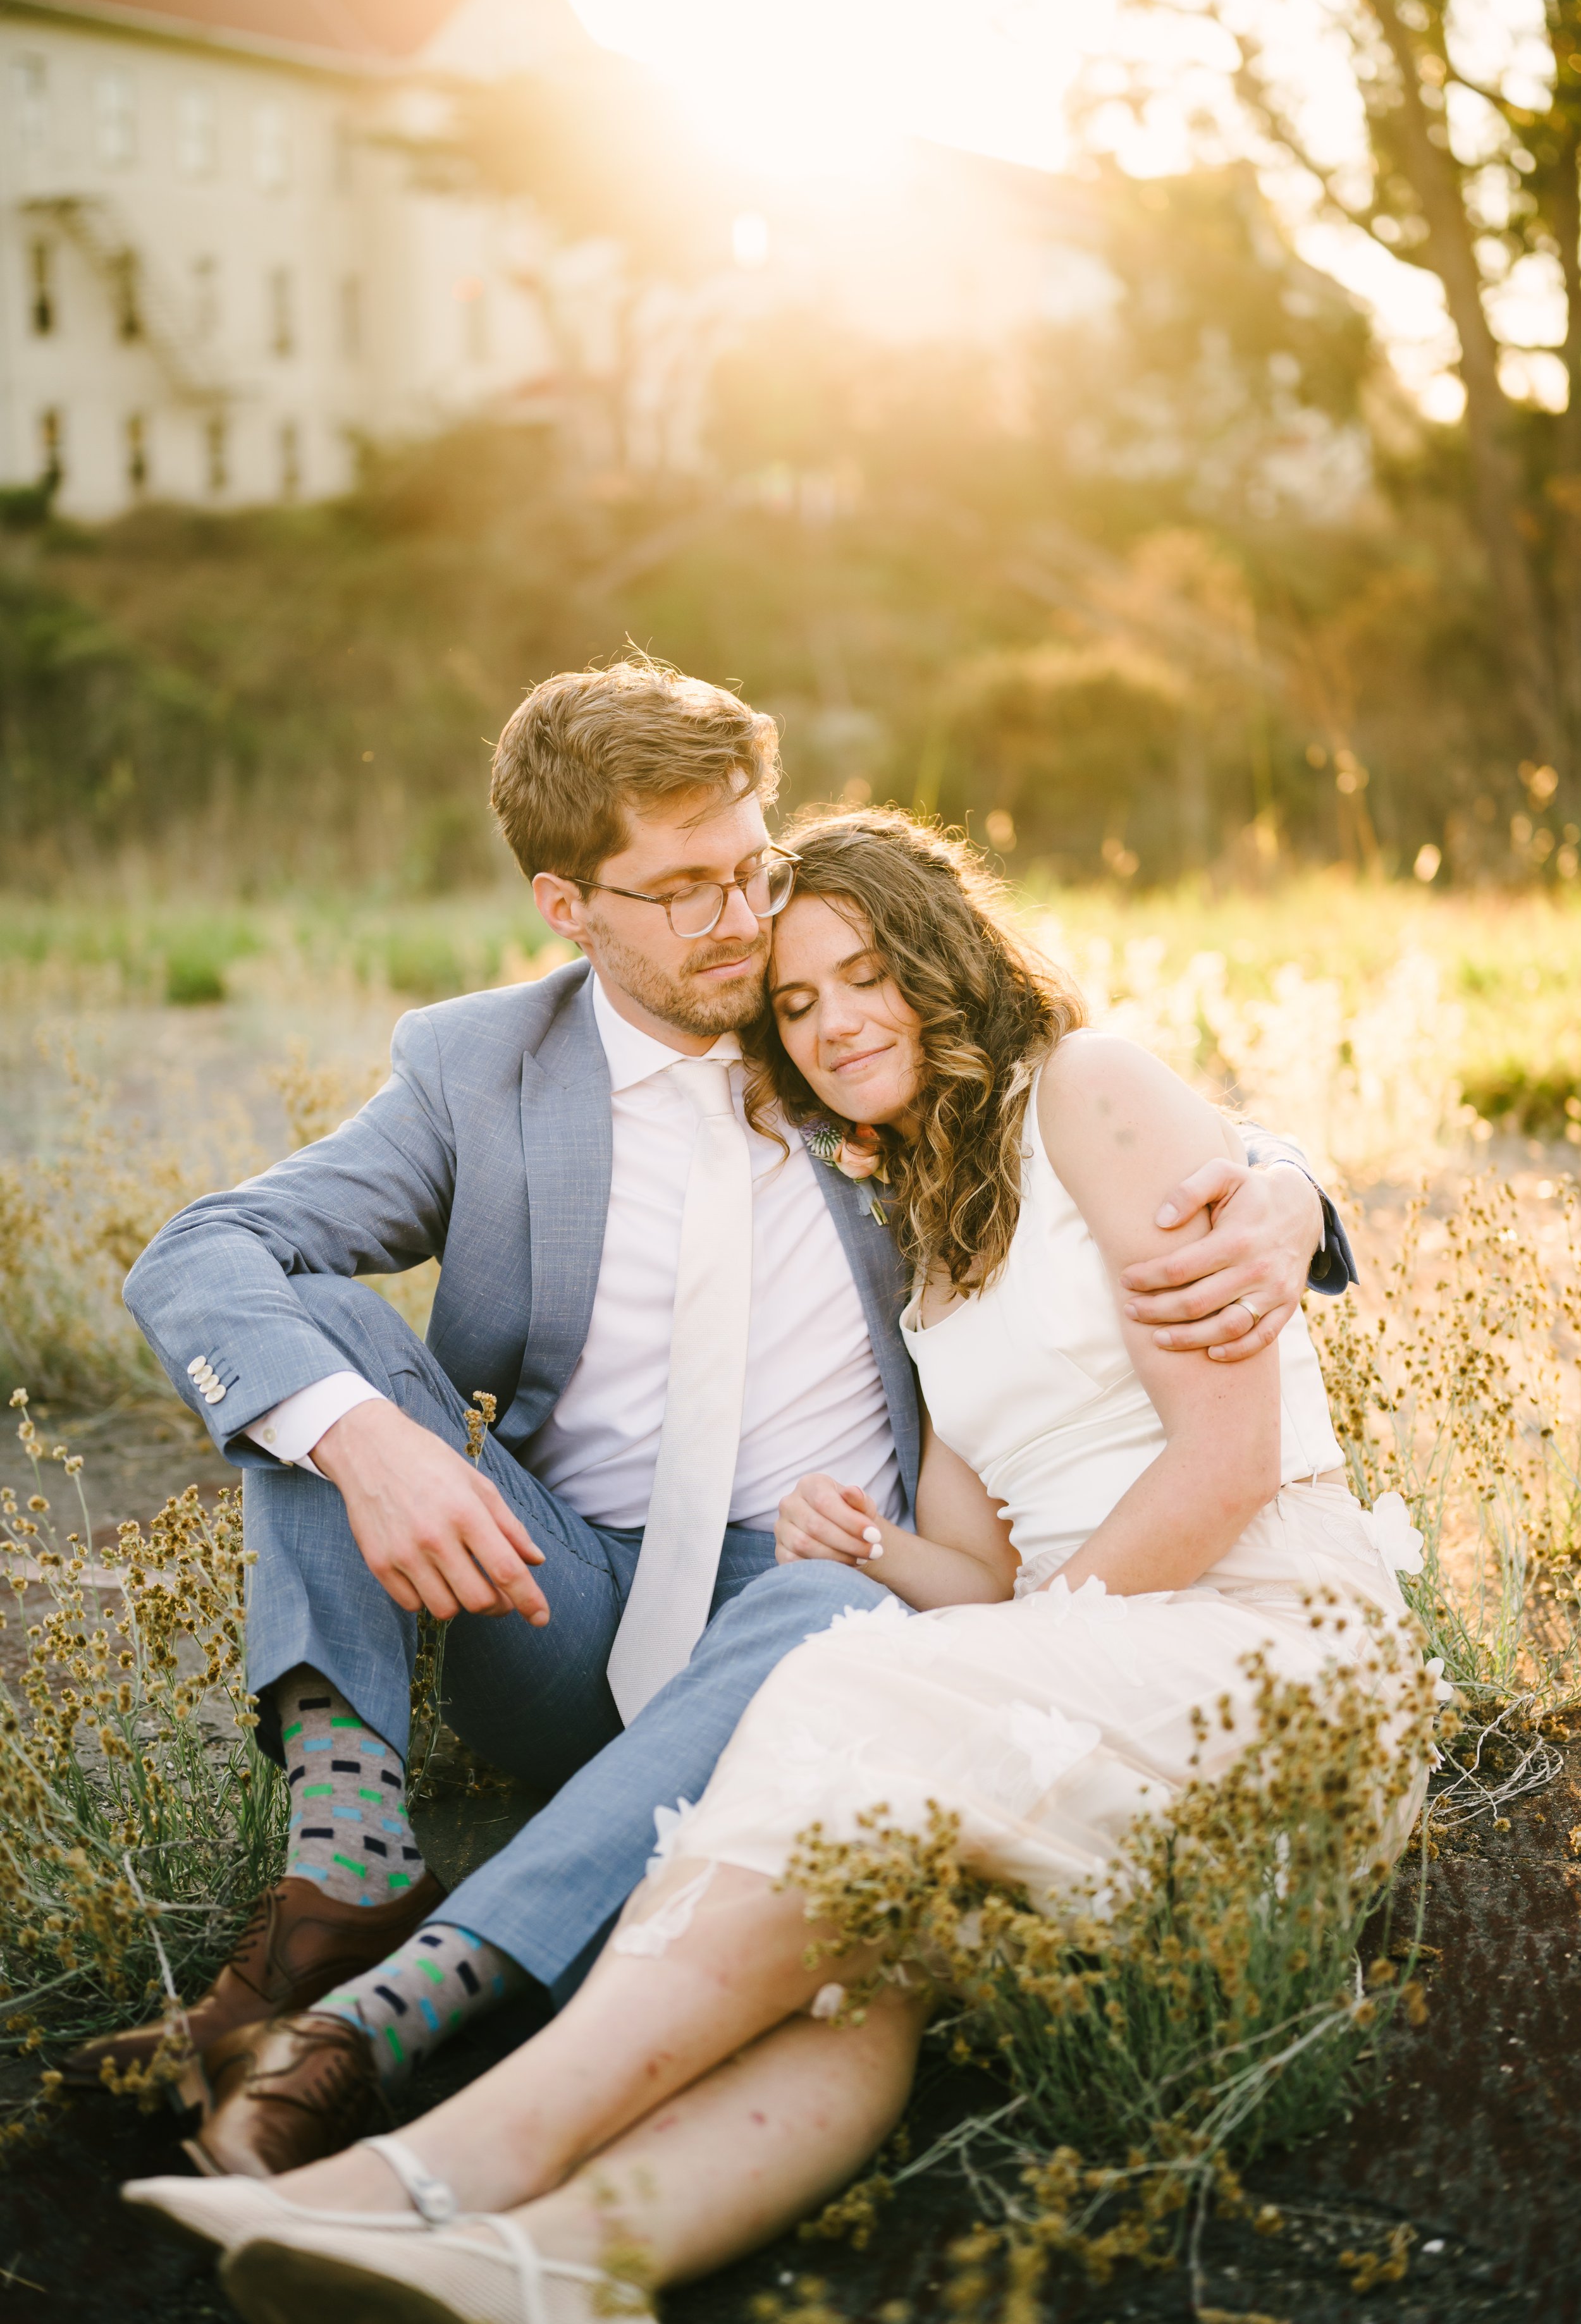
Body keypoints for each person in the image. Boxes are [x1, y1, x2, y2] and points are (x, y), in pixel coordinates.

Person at [125, 810, 1418, 2324]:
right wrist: (875, 1547)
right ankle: (561, 2261)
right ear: (571, 906)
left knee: (847, 1682)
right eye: (798, 1004)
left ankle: (432, 2157)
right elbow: (984, 1580)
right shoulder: (926, 1233)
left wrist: (1291, 1187)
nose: (829, 1018)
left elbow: (1222, 1456)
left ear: (943, 955)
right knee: (861, 1933)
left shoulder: (1081, 1089)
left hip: (1247, 1652)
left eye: (865, 972)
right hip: (983, 1661)